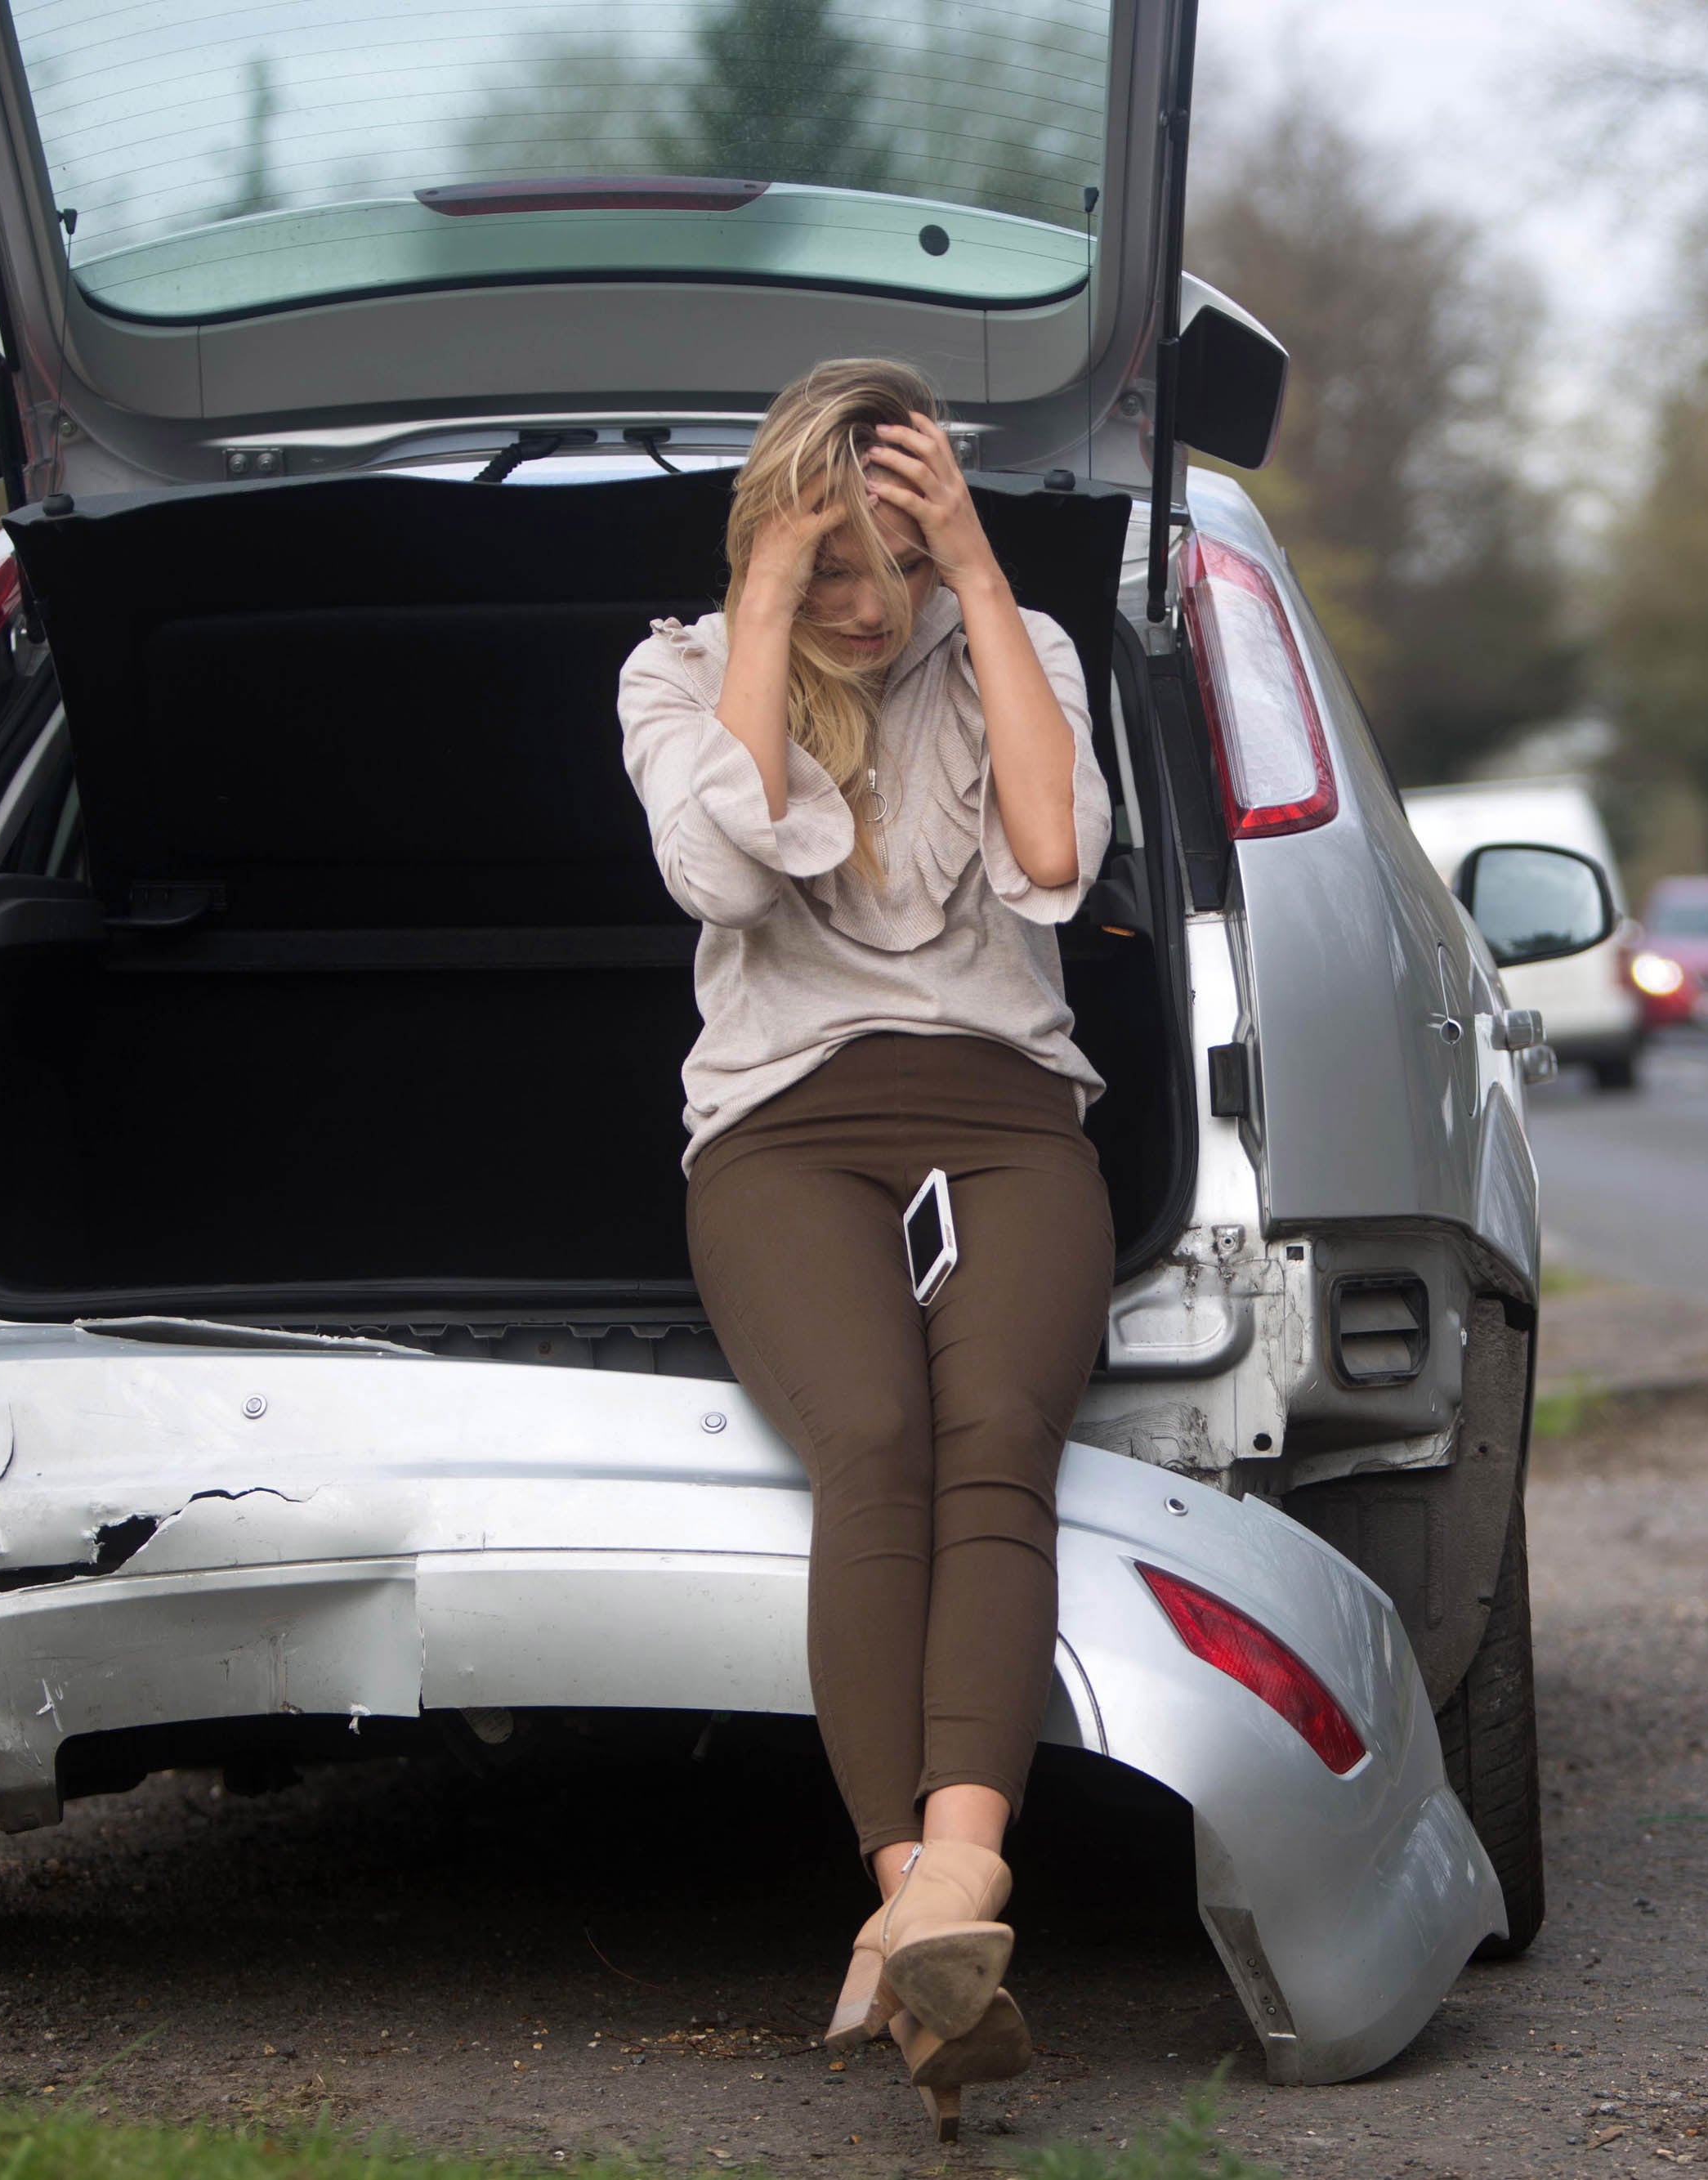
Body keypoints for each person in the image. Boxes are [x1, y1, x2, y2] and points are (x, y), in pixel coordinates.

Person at [615, 358, 1114, 2142]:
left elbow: (1053, 849)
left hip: (1003, 1104)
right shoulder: (679, 669)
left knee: (998, 1436)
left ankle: (939, 1899)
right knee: (875, 1442)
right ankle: (922, 1899)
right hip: (779, 1125)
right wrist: (760, 595)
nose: (855, 600)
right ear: (766, 548)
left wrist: (978, 582)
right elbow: (724, 878)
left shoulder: (1008, 641)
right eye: (821, 564)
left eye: (879, 561)